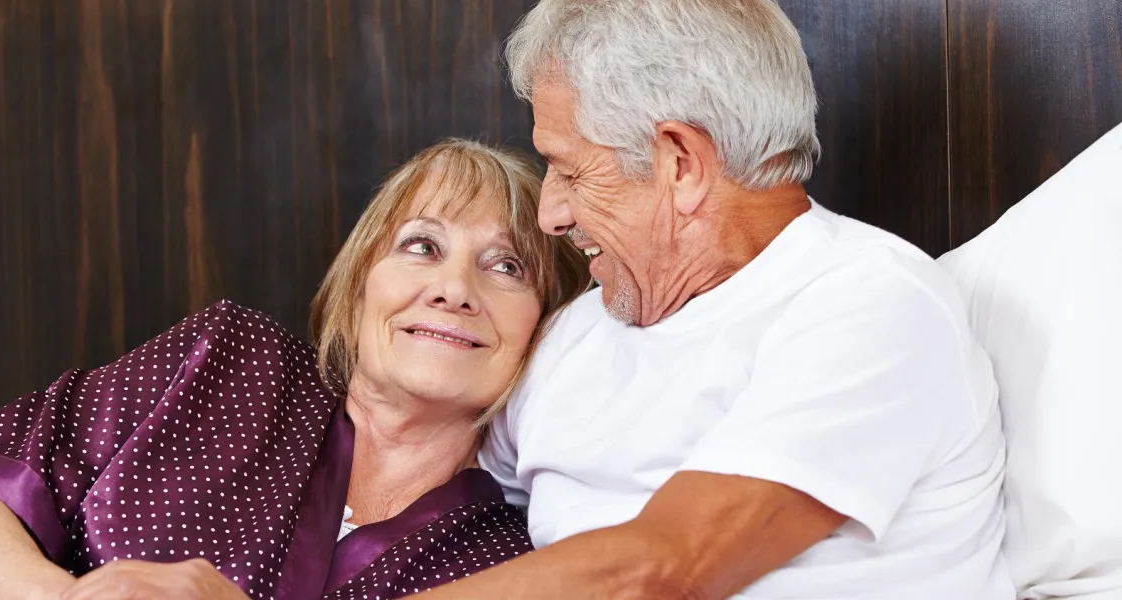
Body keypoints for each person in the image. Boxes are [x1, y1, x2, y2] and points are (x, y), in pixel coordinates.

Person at [419, 1, 1015, 599]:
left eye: (569, 173)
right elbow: (436, 493)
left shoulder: (872, 303)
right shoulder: (573, 336)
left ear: (680, 163)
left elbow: (663, 571)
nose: (551, 214)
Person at [0, 138, 591, 600]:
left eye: (507, 266)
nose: (453, 288)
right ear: (360, 284)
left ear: (546, 326)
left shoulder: (514, 554)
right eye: (420, 245)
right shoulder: (227, 360)